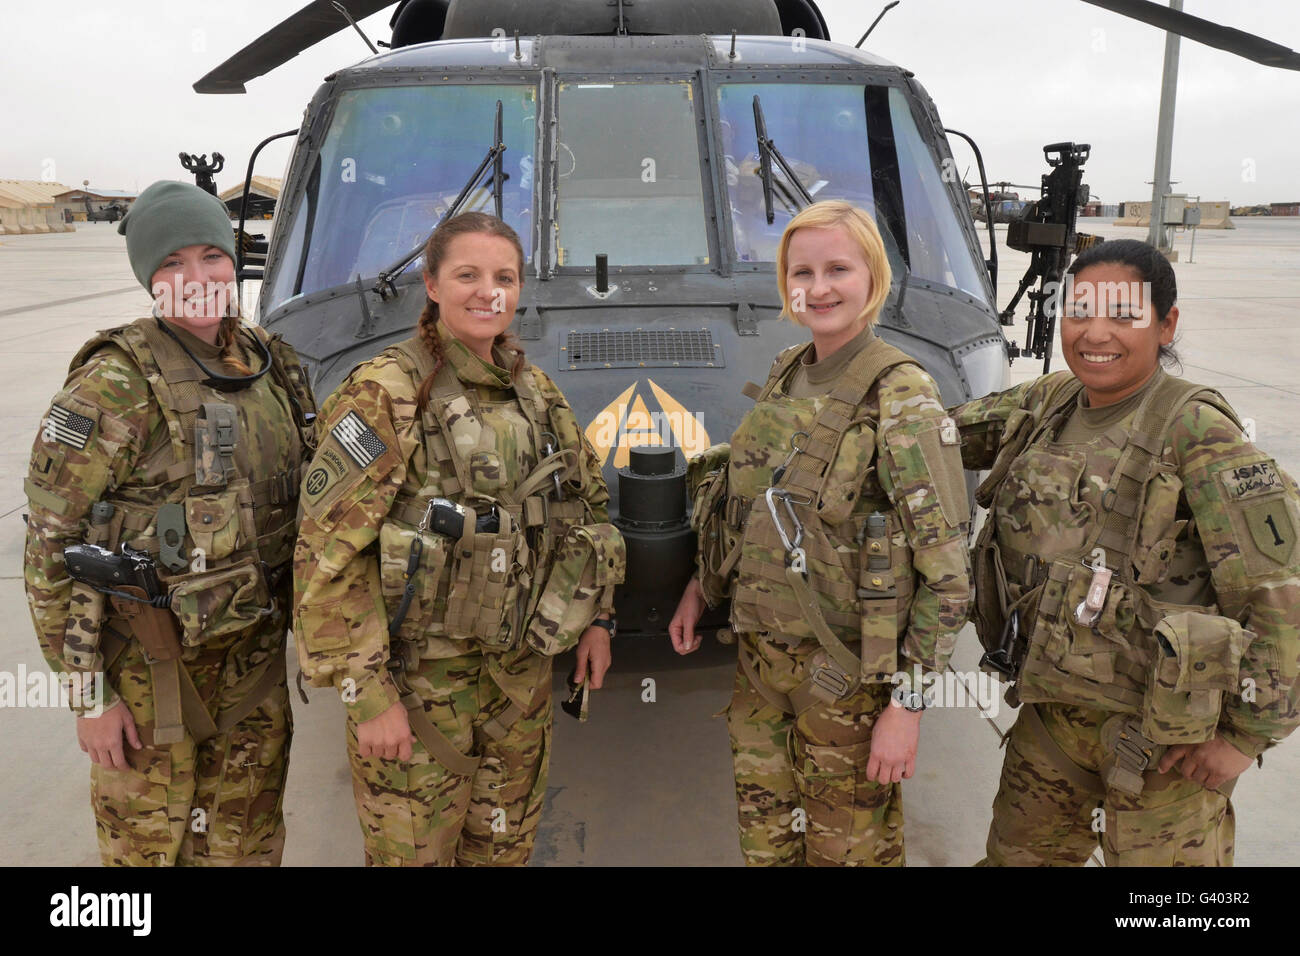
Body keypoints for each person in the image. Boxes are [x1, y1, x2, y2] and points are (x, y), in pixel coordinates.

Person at [952, 238, 1300, 866]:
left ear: (1166, 323)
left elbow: (1282, 595)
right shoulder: (1047, 402)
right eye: (1079, 310)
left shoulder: (1199, 431)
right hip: (1051, 715)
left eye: (1123, 314)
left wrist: (1247, 739)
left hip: (1162, 741)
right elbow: (936, 431)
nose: (1095, 333)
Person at [293, 211, 624, 866]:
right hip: (416, 695)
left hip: (519, 688)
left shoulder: (537, 394)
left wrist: (598, 622)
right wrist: (368, 696)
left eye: (504, 277)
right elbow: (325, 558)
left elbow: (586, 509)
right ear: (432, 284)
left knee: (504, 854)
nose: (487, 291)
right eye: (467, 274)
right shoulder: (384, 396)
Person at [23, 180, 318, 866]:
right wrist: (89, 697)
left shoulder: (274, 366)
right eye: (171, 264)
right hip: (149, 677)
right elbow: (50, 549)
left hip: (253, 673)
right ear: (148, 279)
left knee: (247, 846)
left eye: (211, 256)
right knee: (149, 857)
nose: (196, 279)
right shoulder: (113, 383)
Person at [669, 199, 972, 866]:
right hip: (761, 669)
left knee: (850, 854)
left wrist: (908, 708)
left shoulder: (903, 395)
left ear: (874, 277)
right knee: (767, 845)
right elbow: (747, 505)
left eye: (839, 267)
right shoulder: (786, 371)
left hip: (848, 681)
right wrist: (702, 584)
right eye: (801, 271)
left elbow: (948, 578)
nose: (820, 287)